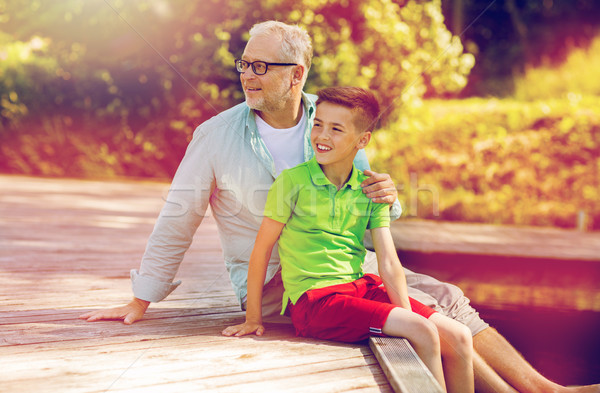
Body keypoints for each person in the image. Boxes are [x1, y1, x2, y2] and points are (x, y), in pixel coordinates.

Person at [79, 21, 600, 393]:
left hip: (347, 268)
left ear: (296, 73)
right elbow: (179, 216)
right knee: (431, 312)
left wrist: (388, 201)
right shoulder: (216, 137)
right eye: (244, 64)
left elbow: (368, 205)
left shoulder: (334, 120)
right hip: (284, 283)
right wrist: (142, 298)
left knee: (445, 295)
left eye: (262, 65)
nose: (248, 74)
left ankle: (539, 390)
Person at [222, 86, 474, 393]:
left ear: (362, 140)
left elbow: (388, 260)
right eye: (318, 125)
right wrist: (252, 318)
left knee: (459, 336)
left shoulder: (369, 189)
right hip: (315, 302)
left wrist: (403, 312)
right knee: (421, 330)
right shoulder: (292, 182)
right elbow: (261, 250)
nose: (322, 136)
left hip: (359, 290)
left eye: (336, 129)